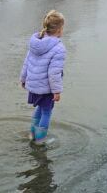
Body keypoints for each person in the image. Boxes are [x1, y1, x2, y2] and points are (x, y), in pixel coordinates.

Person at [21, 10, 67, 144]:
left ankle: (32, 134)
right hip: (46, 88)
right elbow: (54, 73)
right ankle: (40, 140)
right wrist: (56, 91)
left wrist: (23, 78)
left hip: (34, 85)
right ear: (59, 29)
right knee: (46, 112)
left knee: (39, 108)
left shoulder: (36, 41)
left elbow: (26, 61)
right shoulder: (59, 48)